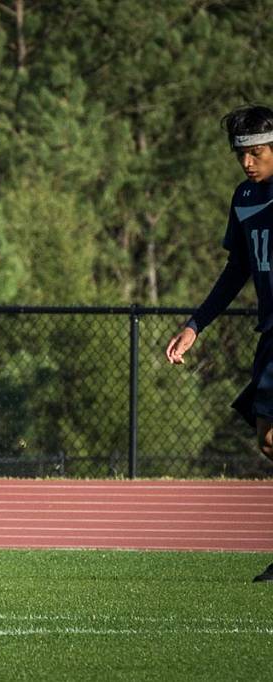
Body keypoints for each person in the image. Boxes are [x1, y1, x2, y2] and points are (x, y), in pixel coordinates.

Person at [166, 104, 273, 584]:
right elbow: (237, 271)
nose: (248, 163)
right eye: (241, 155)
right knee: (267, 436)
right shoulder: (245, 197)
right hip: (269, 332)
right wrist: (195, 325)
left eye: (258, 152)